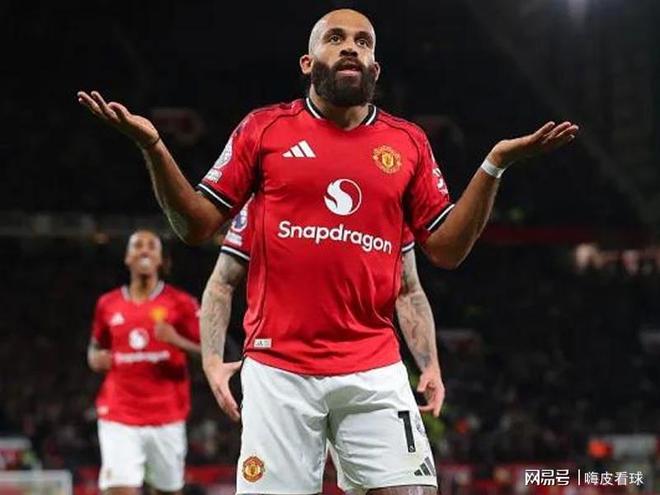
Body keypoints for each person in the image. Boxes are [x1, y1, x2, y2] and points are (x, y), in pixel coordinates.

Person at [77, 8, 578, 494]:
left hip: (374, 366)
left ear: (375, 68)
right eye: (335, 38)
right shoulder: (264, 129)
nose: (350, 48)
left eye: (363, 42)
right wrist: (154, 148)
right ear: (308, 62)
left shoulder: (408, 143)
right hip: (278, 369)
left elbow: (441, 255)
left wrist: (493, 166)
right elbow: (197, 227)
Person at [202, 197, 445, 491]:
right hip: (279, 371)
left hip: (374, 366)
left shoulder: (390, 193)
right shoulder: (266, 194)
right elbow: (222, 282)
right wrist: (211, 360)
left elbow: (409, 290)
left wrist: (430, 365)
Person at [87, 230, 200, 495]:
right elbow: (95, 345)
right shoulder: (108, 304)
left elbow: (210, 354)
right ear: (127, 258)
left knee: (167, 491)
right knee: (119, 489)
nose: (145, 250)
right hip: (119, 414)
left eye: (151, 246)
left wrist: (176, 340)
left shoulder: (181, 303)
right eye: (137, 245)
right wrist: (93, 358)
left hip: (167, 415)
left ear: (160, 259)